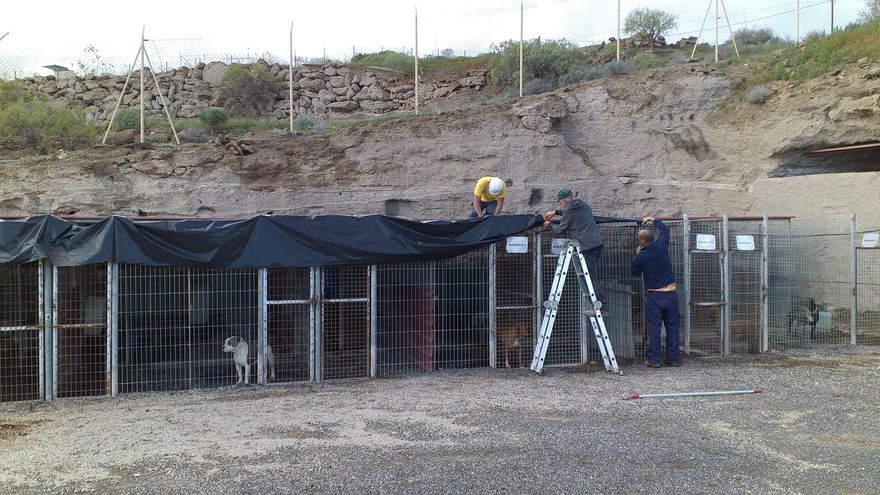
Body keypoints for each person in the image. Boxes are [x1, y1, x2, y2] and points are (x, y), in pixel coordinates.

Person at [543, 188, 604, 312]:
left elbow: (560, 229)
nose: (561, 205)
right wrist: (556, 212)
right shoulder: (583, 204)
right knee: (592, 276)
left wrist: (548, 225)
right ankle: (596, 305)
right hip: (597, 243)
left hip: (586, 247)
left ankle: (595, 306)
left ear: (564, 202)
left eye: (560, 203)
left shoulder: (568, 212)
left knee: (588, 278)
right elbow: (570, 211)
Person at [631, 216, 680, 368]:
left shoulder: (642, 257)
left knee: (654, 327)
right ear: (653, 238)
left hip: (654, 296)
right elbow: (665, 230)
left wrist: (637, 255)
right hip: (671, 294)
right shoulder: (662, 245)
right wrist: (654, 219)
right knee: (673, 327)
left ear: (642, 242)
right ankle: (673, 359)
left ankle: (654, 359)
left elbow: (634, 273)